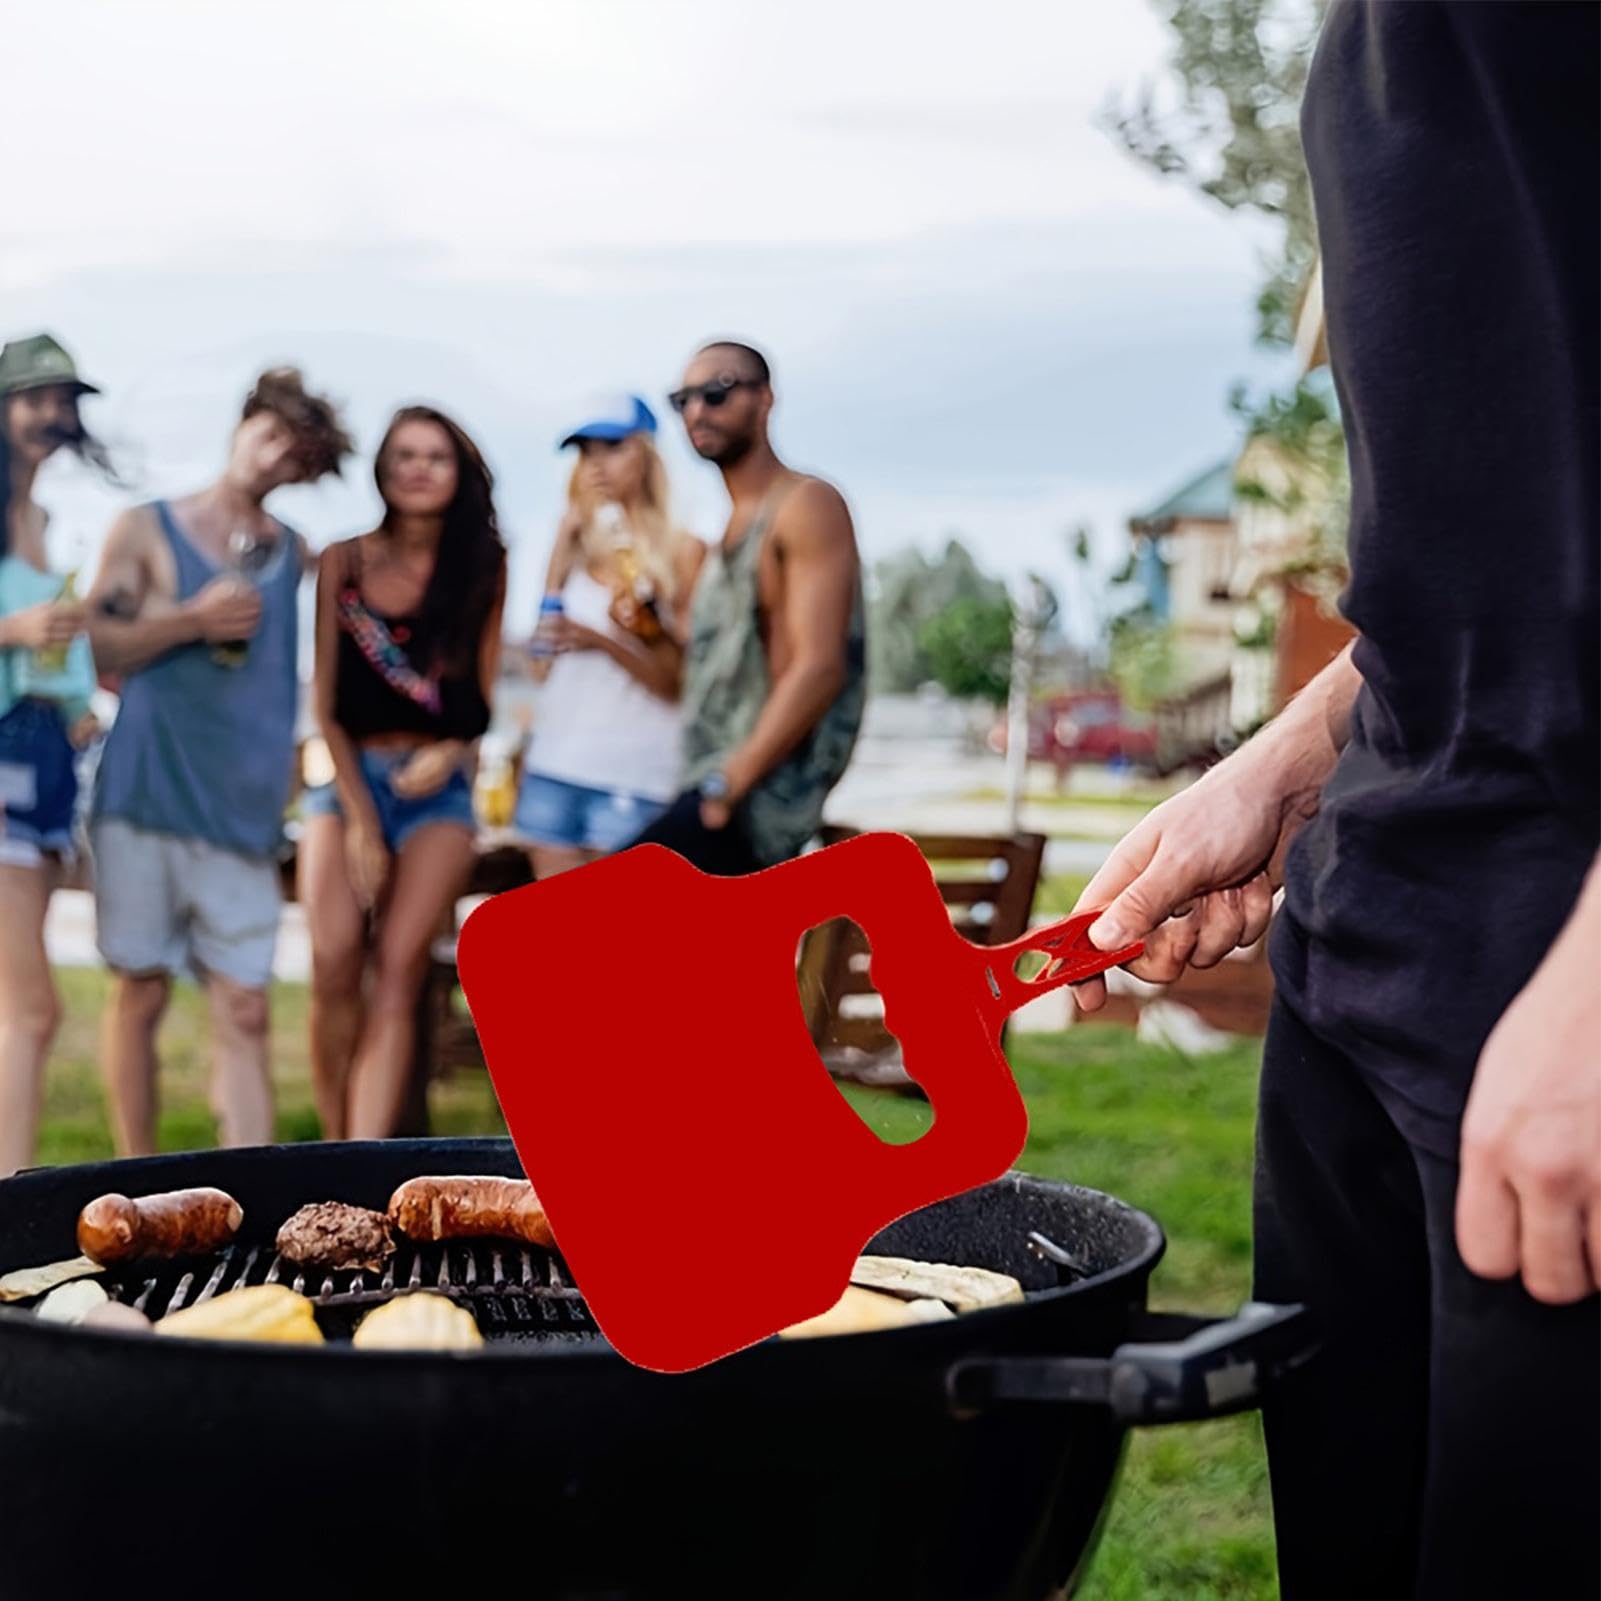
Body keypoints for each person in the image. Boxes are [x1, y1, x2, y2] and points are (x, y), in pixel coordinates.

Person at [1073, 6, 1598, 1597]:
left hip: (1559, 984)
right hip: (1374, 943)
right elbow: (1506, 512)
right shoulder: (1368, 46)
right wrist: (1294, 752)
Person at [86, 368, 352, 1156]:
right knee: (139, 991)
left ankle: (243, 1188)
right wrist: (190, 619)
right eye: (268, 436)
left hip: (243, 816)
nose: (273, 459)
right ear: (242, 426)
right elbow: (95, 643)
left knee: (246, 1007)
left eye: (293, 455)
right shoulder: (143, 527)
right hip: (144, 798)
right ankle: (134, 1182)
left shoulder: (294, 551)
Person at [301, 405, 505, 1139]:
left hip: (438, 794)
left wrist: (449, 752)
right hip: (345, 785)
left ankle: (361, 1159)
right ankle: (328, 1151)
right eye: (405, 454)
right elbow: (324, 705)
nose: (419, 468)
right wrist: (359, 820)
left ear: (459, 472)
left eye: (436, 456)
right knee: (331, 962)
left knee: (395, 969)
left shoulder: (484, 566)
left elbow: (478, 702)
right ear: (383, 469)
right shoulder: (341, 561)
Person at [629, 341, 866, 875]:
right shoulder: (727, 530)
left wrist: (725, 788)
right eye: (682, 399)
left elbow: (818, 666)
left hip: (749, 805)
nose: (697, 411)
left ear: (765, 400)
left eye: (717, 392)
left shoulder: (805, 504)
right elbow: (720, 669)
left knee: (562, 931)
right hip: (708, 788)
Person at [0, 333, 109, 1177]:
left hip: (43, 755)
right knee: (30, 1012)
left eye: (61, 401)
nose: (50, 415)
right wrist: (16, 629)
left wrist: (75, 702)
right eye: (34, 398)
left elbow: (45, 649)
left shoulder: (41, 517)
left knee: (18, 1007)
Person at [516, 394, 704, 879]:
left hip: (635, 775)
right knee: (558, 949)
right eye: (586, 452)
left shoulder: (684, 552)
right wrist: (557, 566)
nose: (596, 464)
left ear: (646, 454)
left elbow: (677, 684)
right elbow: (540, 665)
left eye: (612, 447)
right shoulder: (572, 550)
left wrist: (602, 642)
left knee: (620, 949)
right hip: (553, 768)